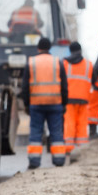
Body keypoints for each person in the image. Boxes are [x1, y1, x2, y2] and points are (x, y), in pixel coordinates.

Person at [22, 37, 68, 169]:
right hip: (55, 103)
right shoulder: (57, 62)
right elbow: (64, 86)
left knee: (36, 132)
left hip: (36, 103)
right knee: (56, 132)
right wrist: (64, 103)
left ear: (38, 48)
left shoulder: (31, 62)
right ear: (49, 48)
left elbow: (25, 87)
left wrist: (26, 104)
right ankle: (59, 160)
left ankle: (34, 162)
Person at [63, 42, 93, 153]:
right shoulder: (88, 64)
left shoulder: (65, 63)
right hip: (84, 99)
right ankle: (82, 148)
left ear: (70, 50)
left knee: (69, 122)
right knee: (82, 123)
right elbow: (93, 80)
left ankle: (68, 147)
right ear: (80, 50)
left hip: (69, 99)